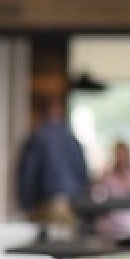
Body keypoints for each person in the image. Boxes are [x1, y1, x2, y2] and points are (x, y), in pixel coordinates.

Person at [14, 91, 89, 225]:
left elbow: (29, 174)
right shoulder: (72, 139)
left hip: (48, 203)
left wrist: (26, 204)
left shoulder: (38, 137)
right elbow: (82, 172)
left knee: (47, 242)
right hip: (71, 203)